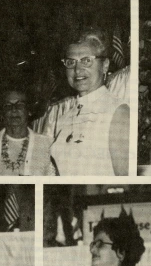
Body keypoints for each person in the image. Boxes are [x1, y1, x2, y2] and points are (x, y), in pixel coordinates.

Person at [33, 27, 129, 176]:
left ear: (105, 65)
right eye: (71, 62)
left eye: (86, 61)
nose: (77, 70)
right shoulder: (65, 117)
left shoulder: (117, 112)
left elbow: (125, 180)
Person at [0, 88, 56, 176]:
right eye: (8, 106)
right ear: (2, 112)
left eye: (20, 105)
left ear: (29, 111)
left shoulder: (46, 145)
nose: (13, 110)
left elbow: (54, 187)